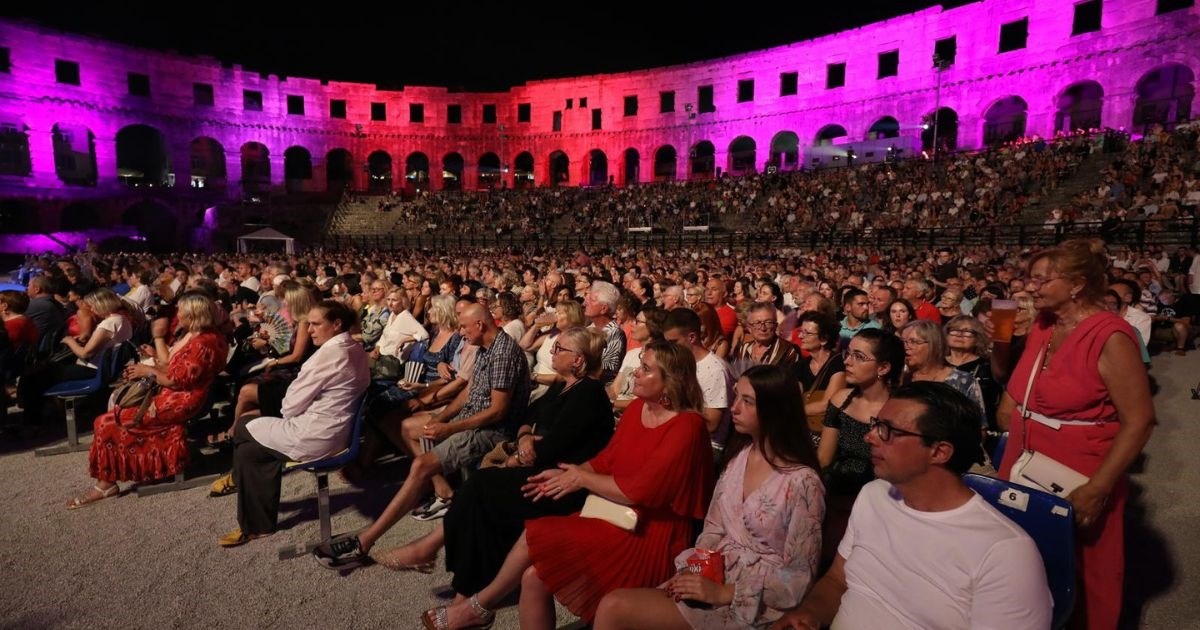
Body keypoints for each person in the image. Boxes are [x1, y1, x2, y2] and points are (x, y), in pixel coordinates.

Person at [417, 340, 714, 629]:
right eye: (640, 365)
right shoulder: (638, 409)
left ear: (670, 382)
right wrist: (567, 474)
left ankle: (478, 607)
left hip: (651, 534)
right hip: (617, 516)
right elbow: (606, 460)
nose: (636, 372)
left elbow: (642, 491)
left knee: (536, 533)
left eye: (646, 369)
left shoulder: (688, 426)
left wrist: (579, 478)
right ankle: (477, 606)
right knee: (533, 576)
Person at [348, 327, 612, 597]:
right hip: (540, 467)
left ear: (578, 360)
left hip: (560, 482)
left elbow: (555, 446)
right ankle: (455, 584)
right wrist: (524, 439)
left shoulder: (588, 394)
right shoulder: (562, 385)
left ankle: (439, 563)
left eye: (559, 349)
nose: (552, 353)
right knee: (479, 491)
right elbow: (529, 415)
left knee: (479, 488)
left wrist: (518, 455)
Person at [773, 382, 1052, 630]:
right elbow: (836, 582)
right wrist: (808, 614)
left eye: (887, 431)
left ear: (939, 452)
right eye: (875, 424)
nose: (869, 437)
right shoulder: (873, 496)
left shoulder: (1005, 552)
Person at [996, 239, 1154, 629]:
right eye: (1029, 279)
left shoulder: (1111, 335)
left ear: (1078, 284)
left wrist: (1098, 489)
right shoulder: (1044, 323)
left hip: (1079, 465)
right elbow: (1009, 383)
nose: (1031, 288)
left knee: (1086, 566)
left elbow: (1140, 420)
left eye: (1041, 280)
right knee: (1025, 557)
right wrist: (999, 345)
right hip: (1025, 454)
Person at [594, 365, 824, 629]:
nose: (734, 408)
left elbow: (799, 576)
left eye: (747, 401)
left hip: (758, 600)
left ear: (775, 411)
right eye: (736, 396)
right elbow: (713, 529)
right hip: (713, 576)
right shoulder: (739, 458)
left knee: (615, 607)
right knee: (615, 603)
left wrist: (727, 592)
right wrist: (693, 572)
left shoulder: (803, 482)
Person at [310, 303, 530, 559]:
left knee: (421, 465)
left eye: (464, 327)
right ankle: (436, 492)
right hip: (471, 418)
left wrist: (449, 427)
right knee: (399, 424)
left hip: (491, 430)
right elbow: (470, 391)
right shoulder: (486, 347)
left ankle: (365, 541)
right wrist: (442, 418)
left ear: (480, 325)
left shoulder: (503, 353)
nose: (461, 332)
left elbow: (497, 411)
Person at [217, 299, 369, 546]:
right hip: (339, 431)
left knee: (244, 426)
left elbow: (288, 407)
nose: (309, 330)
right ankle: (255, 520)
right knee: (250, 450)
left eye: (315, 324)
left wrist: (299, 405)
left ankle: (252, 512)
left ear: (336, 324)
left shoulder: (327, 356)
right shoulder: (354, 347)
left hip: (316, 437)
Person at [65, 293, 228, 508]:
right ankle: (117, 479)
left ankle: (106, 485)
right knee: (110, 417)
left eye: (181, 311)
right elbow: (177, 371)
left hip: (182, 400)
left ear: (193, 314)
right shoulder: (205, 337)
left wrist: (146, 369)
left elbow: (175, 381)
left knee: (106, 423)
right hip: (181, 394)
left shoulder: (203, 343)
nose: (178, 315)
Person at [815, 328, 904, 569]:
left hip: (881, 502)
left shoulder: (899, 409)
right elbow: (823, 458)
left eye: (859, 356)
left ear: (883, 368)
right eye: (848, 353)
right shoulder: (841, 400)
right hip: (837, 494)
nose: (847, 361)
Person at [899, 320, 986, 421]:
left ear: (934, 345)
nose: (905, 347)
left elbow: (978, 427)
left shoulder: (963, 381)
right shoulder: (901, 378)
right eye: (903, 342)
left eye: (913, 342)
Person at [793, 312, 846, 434]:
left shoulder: (838, 363)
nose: (800, 336)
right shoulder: (799, 366)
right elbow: (794, 398)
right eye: (801, 331)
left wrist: (794, 411)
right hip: (804, 427)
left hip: (828, 430)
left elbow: (827, 404)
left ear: (824, 339)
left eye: (807, 333)